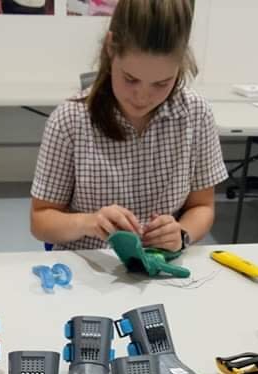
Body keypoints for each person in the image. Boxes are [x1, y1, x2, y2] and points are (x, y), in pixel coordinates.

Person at [30, 0, 227, 251]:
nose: (142, 97)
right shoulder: (70, 120)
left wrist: (182, 233)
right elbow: (40, 219)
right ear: (111, 48)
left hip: (160, 269)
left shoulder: (196, 114)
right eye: (130, 79)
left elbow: (203, 206)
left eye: (162, 83)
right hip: (90, 269)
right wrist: (89, 222)